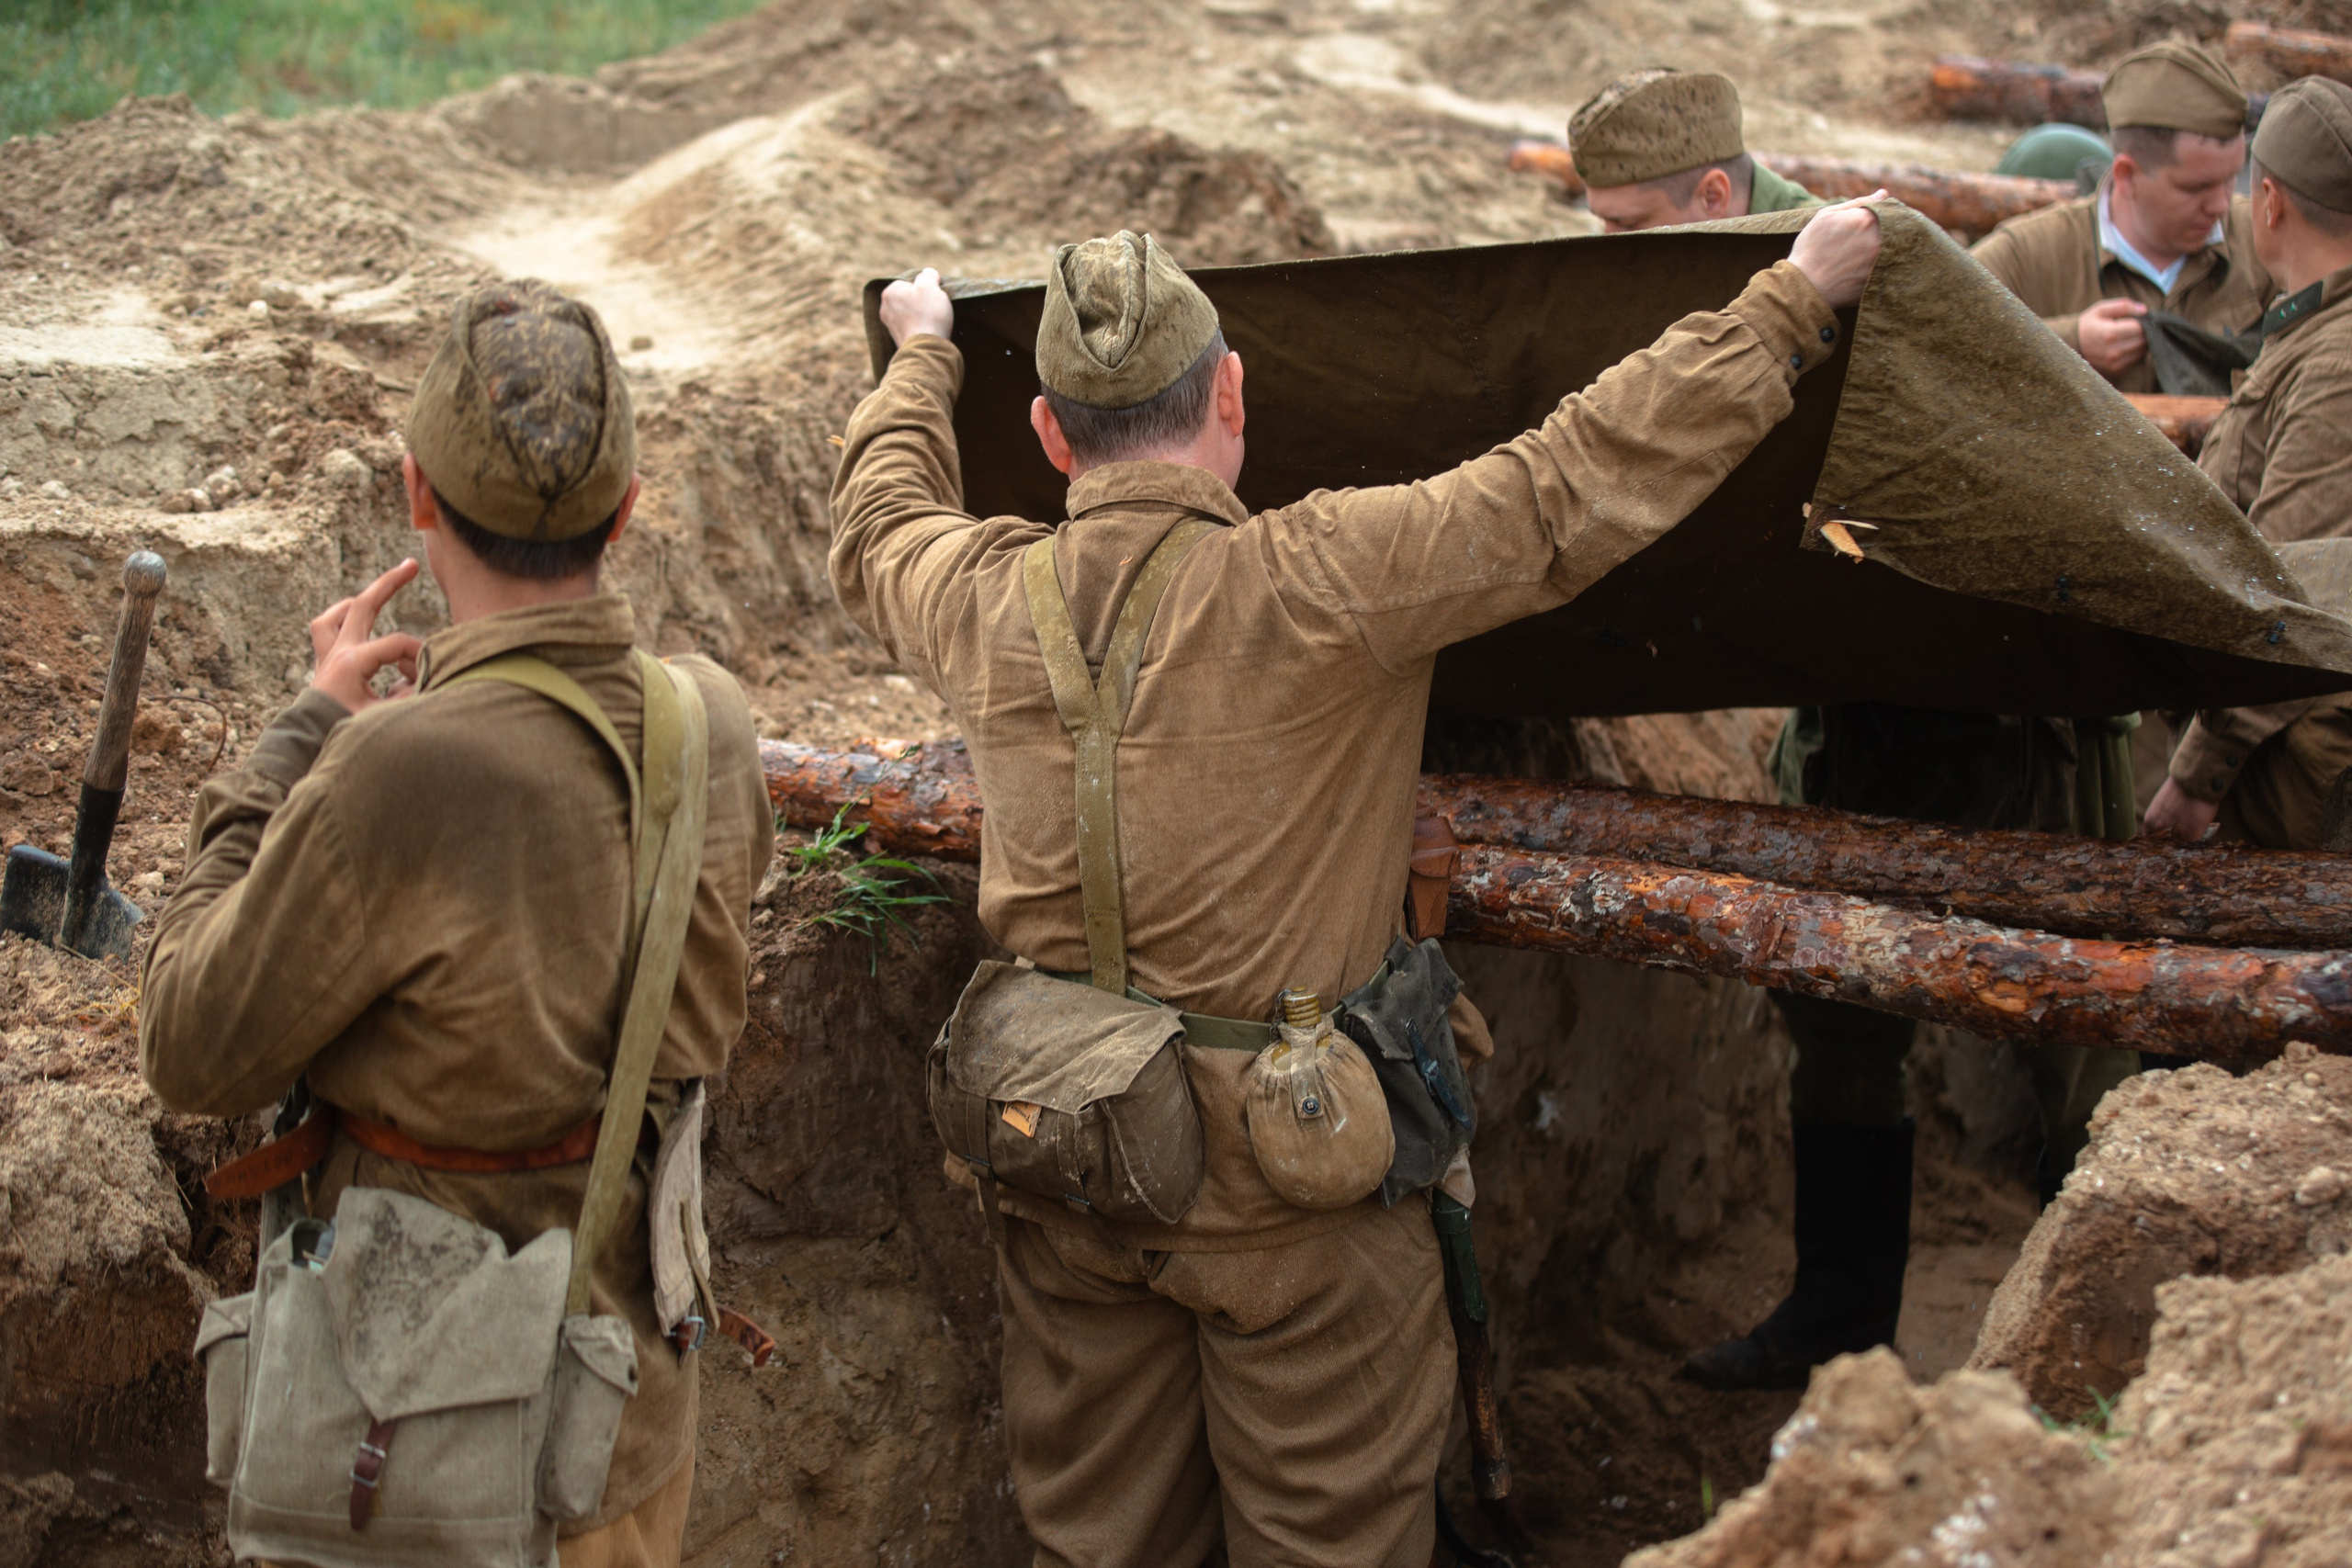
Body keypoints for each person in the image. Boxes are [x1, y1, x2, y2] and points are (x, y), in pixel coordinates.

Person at [830, 203, 1883, 1564]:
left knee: (1103, 1543)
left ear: (1046, 434)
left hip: (1068, 1160)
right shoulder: (1320, 575)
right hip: (1296, 1196)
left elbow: (877, 522)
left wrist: (921, 350)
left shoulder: (976, 593)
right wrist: (1790, 300)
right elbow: (1566, 484)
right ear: (1231, 393)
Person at [139, 280, 773, 1567]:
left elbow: (189, 1046)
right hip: (622, 1429)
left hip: (419, 1455)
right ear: (628, 509)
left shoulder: (395, 768)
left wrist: (301, 739)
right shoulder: (709, 721)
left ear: (417, 495)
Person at [2144, 76, 2352, 851]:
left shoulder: (2337, 364)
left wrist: (2198, 779)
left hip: (2301, 767)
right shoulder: (2316, 330)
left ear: (2268, 202)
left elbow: (2292, 591)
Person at [1973, 39, 2272, 393]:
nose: (2221, 205)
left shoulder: (2267, 239)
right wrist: (2067, 343)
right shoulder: (2029, 255)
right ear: (2127, 175)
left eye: (2230, 180)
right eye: (2197, 188)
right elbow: (1935, 336)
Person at [1568, 67, 1823, 231]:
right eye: (1603, 221)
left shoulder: (1832, 261)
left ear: (1713, 197)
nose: (1608, 243)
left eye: (1629, 225)